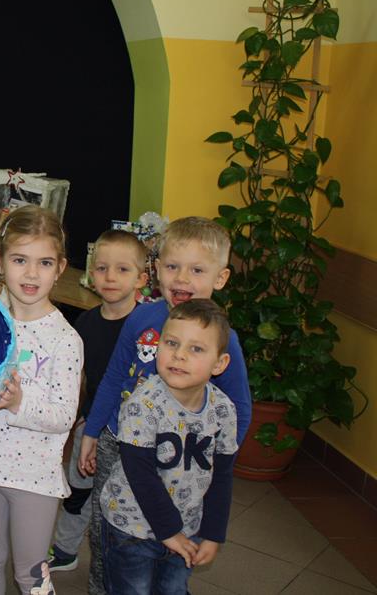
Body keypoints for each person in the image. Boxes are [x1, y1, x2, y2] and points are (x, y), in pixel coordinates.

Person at [80, 216, 252, 595]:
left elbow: (238, 407)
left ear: (220, 278)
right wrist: (92, 431)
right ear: (157, 270)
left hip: (183, 456)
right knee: (111, 530)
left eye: (197, 270)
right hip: (119, 441)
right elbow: (114, 376)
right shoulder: (141, 317)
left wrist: (217, 460)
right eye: (172, 266)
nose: (182, 279)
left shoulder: (224, 341)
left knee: (172, 539)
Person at [0, 206, 82, 595]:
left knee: (31, 575)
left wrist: (19, 401)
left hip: (35, 477)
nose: (31, 274)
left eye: (44, 262)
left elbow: (63, 415)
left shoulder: (65, 340)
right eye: (20, 260)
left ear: (60, 268)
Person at [100, 299, 238, 594]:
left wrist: (213, 533)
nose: (179, 355)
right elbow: (141, 475)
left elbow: (222, 476)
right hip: (132, 527)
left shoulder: (223, 410)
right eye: (171, 343)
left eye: (196, 349)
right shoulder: (142, 404)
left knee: (173, 589)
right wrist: (169, 531)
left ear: (219, 363)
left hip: (188, 527)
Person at [47, 230, 148, 575]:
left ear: (141, 279)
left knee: (118, 498)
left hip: (132, 431)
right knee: (77, 490)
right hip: (90, 423)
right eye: (102, 268)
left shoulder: (148, 327)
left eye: (122, 269)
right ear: (91, 274)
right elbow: (80, 378)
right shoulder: (86, 323)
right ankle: (65, 549)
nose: (110, 277)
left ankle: (114, 559)